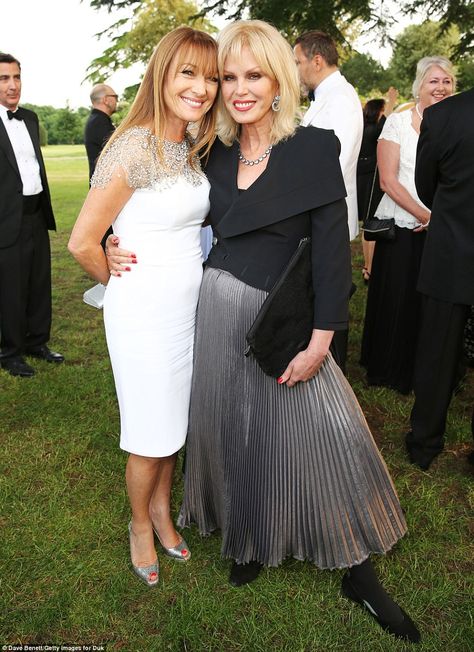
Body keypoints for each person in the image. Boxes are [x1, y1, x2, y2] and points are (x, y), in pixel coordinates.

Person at [109, 20, 420, 642]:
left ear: (280, 80)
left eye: (255, 75)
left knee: (321, 437)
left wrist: (323, 339)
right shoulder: (211, 151)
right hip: (214, 315)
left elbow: (332, 254)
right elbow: (154, 201)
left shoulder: (312, 146)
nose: (240, 88)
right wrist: (116, 244)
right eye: (229, 76)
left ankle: (357, 569)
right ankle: (248, 541)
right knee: (235, 434)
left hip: (286, 321)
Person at [68, 27, 219, 587]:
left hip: (188, 310)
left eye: (209, 76)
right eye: (188, 72)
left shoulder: (190, 145)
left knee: (172, 423)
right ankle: (138, 523)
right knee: (148, 431)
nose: (201, 87)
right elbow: (83, 241)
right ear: (161, 74)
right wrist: (121, 279)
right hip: (144, 314)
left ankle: (161, 510)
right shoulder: (133, 144)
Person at [360, 57, 455, 395]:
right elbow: (388, 181)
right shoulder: (398, 123)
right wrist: (424, 215)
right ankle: (388, 367)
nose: (441, 87)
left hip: (442, 229)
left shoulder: (456, 125)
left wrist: (440, 218)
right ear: (420, 85)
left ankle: (425, 370)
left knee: (431, 305)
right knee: (398, 297)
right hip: (401, 226)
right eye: (434, 81)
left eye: (447, 81)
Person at [405, 87, 474, 470]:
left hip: (450, 250)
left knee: (437, 352)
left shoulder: (444, 115)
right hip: (450, 248)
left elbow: (426, 186)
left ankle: (424, 443)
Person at [293, 31, 363, 372]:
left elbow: (334, 164)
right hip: (311, 215)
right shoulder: (325, 98)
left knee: (329, 299)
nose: (295, 71)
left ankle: (332, 372)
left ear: (316, 61)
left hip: (327, 218)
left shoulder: (342, 100)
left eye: (297, 62)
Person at [0, 52, 64, 378]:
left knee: (39, 283)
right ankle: (10, 352)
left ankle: (37, 342)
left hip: (37, 213)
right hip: (6, 221)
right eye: (4, 79)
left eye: (17, 77)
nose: (13, 85)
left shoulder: (30, 118)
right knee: (11, 289)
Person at [357, 89, 398, 283]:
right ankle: (370, 269)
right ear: (379, 112)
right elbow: (388, 121)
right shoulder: (377, 128)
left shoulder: (361, 126)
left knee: (366, 224)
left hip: (359, 175)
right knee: (371, 223)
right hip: (372, 177)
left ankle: (367, 267)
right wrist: (391, 101)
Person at [84, 83, 117, 181]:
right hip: (104, 183)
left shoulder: (98, 120)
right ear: (106, 100)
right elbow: (116, 152)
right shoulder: (99, 122)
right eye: (115, 97)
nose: (116, 101)